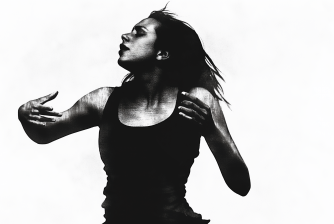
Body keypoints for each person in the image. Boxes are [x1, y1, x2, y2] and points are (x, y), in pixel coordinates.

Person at [18, 7, 250, 224]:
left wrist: (210, 129)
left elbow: (241, 184)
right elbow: (44, 133)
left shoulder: (196, 100)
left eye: (139, 33)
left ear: (163, 53)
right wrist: (25, 115)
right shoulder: (102, 101)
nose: (125, 36)